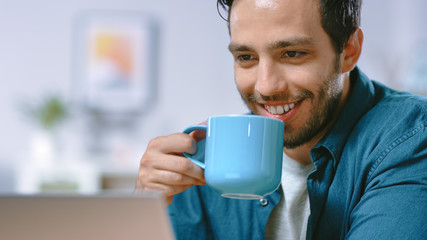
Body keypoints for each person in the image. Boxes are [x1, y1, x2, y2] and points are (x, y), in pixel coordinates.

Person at [136, 0, 427, 239]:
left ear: (349, 51)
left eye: (292, 53)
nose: (265, 87)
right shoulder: (205, 159)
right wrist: (142, 211)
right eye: (246, 57)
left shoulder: (411, 138)